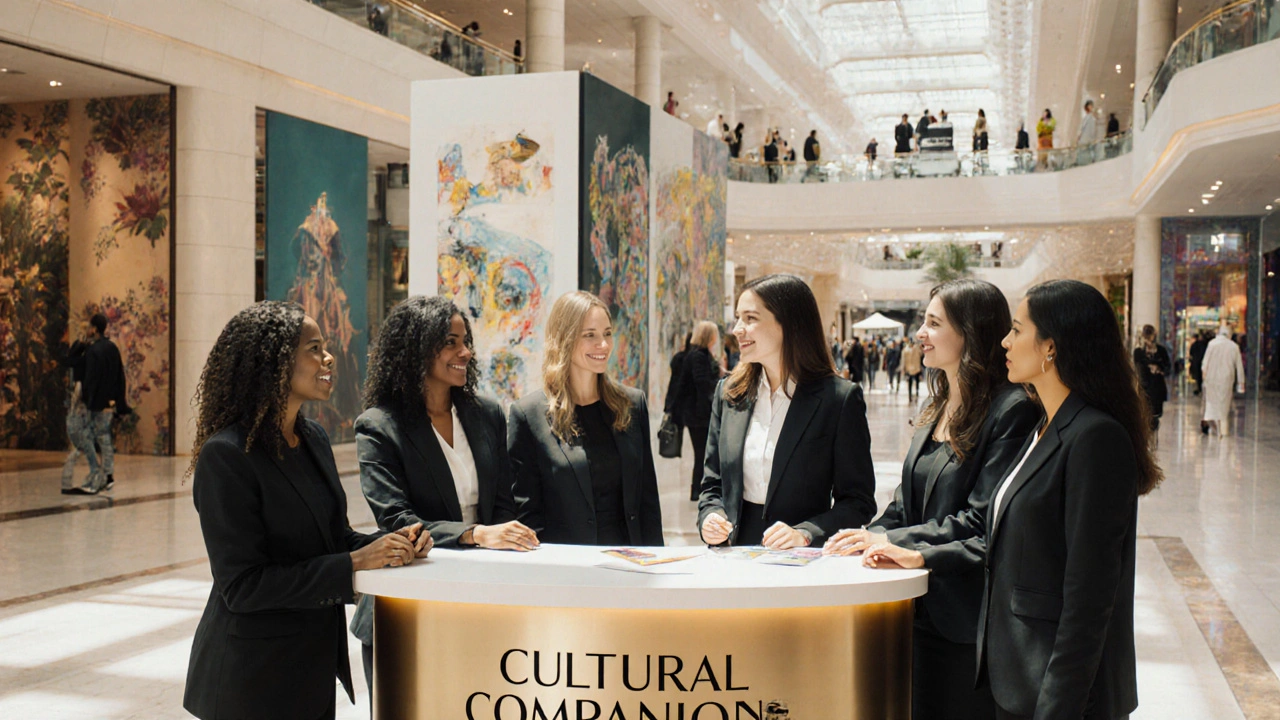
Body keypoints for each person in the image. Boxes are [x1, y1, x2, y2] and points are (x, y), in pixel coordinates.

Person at [858, 279, 1161, 720]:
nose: (1004, 340)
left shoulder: (1094, 437)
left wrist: (1060, 704)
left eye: (1017, 330)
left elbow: (1090, 597)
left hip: (1060, 689)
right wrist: (916, 553)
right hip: (1018, 673)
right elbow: (997, 537)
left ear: (1050, 348)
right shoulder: (1045, 428)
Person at [183, 302, 430, 720]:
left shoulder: (313, 438)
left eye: (325, 347)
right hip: (249, 680)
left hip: (310, 670)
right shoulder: (225, 456)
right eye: (313, 348)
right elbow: (242, 586)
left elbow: (332, 538)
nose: (328, 357)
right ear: (274, 362)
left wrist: (388, 546)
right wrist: (353, 563)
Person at [825, 279, 1041, 720]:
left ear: (969, 333)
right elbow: (906, 502)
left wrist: (900, 546)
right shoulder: (938, 404)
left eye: (933, 323)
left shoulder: (1011, 410)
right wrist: (870, 535)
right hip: (913, 611)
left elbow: (981, 519)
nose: (920, 332)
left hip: (964, 621)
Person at [348, 296, 537, 698]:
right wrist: (475, 534)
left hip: (482, 600)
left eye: (465, 341)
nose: (465, 352)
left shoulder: (486, 414)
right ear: (417, 349)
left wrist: (495, 537)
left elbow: (504, 505)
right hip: (408, 607)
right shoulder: (380, 427)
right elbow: (398, 521)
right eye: (451, 342)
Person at [698, 274, 877, 548]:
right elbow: (712, 485)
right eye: (738, 318)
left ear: (788, 325)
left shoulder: (838, 400)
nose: (737, 329)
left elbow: (858, 502)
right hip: (734, 556)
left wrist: (806, 532)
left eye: (750, 318)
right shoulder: (729, 393)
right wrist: (710, 516)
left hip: (801, 563)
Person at [508, 291, 663, 545]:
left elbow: (648, 503)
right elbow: (528, 515)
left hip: (630, 564)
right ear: (565, 339)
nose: (603, 344)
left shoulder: (632, 404)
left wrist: (657, 565)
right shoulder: (528, 415)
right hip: (567, 570)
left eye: (607, 333)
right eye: (589, 335)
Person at [80, 312, 129, 493]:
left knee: (91, 438)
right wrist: (119, 401)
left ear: (94, 329)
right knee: (105, 439)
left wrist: (87, 400)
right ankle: (107, 475)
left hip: (96, 403)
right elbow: (120, 376)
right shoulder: (112, 348)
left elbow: (91, 379)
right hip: (110, 402)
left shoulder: (93, 351)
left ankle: (99, 475)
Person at [675, 321, 721, 501]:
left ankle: (699, 489)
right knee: (702, 453)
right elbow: (702, 383)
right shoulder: (698, 357)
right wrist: (720, 387)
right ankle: (697, 490)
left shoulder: (699, 355)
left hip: (697, 413)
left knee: (702, 453)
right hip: (698, 415)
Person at [60, 321, 99, 495]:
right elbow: (68, 360)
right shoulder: (84, 348)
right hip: (80, 391)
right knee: (78, 431)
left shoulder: (92, 350)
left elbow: (72, 361)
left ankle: (94, 470)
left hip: (83, 392)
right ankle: (93, 470)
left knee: (82, 432)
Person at [1200, 325, 1245, 436]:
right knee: (1224, 403)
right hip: (1227, 379)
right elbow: (1239, 366)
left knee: (1211, 402)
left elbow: (1204, 365)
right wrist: (1241, 383)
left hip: (1211, 379)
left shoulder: (1212, 344)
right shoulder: (1234, 347)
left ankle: (1213, 422)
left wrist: (1204, 378)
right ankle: (1222, 426)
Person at [1133, 324, 1171, 433]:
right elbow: (1139, 367)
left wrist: (1158, 368)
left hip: (1157, 387)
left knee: (1155, 415)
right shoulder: (1139, 352)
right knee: (1146, 414)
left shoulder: (1161, 350)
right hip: (1145, 387)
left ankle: (1152, 437)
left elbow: (1167, 367)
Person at [902, 337, 923, 402]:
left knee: (917, 381)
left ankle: (917, 391)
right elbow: (903, 360)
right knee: (910, 382)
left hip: (916, 367)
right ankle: (910, 394)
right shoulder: (906, 350)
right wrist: (903, 368)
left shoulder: (916, 349)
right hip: (909, 368)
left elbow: (921, 354)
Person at [1189, 330, 1209, 396]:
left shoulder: (1195, 344)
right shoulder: (1206, 345)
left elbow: (1191, 353)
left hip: (1196, 362)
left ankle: (1199, 388)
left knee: (1197, 376)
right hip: (1203, 362)